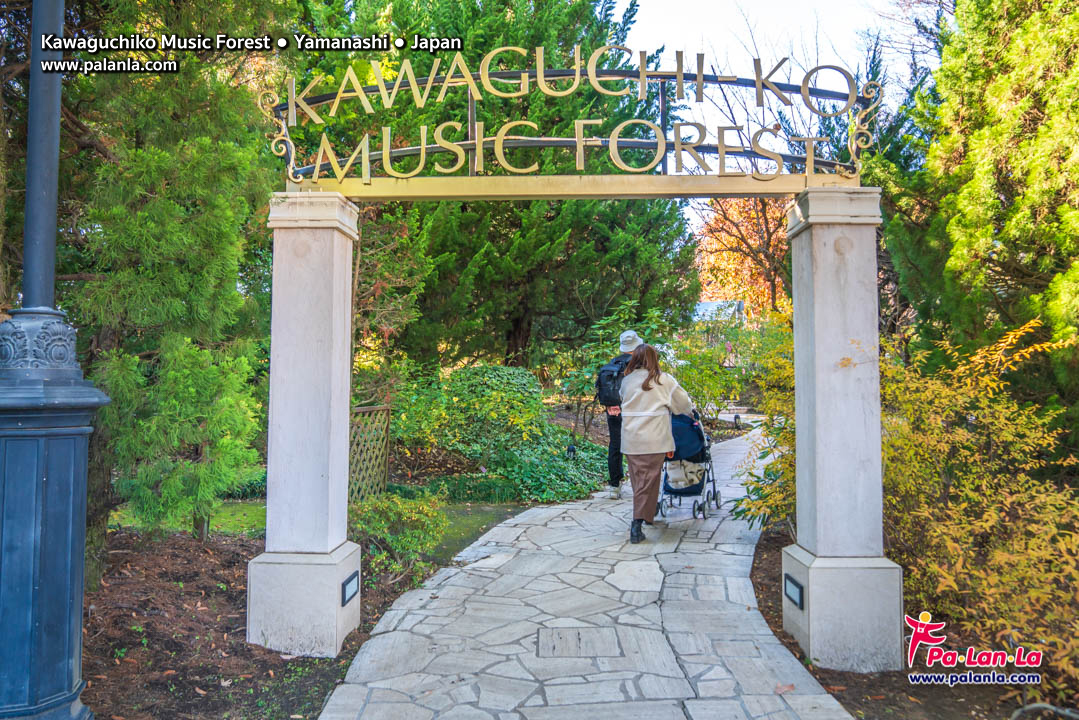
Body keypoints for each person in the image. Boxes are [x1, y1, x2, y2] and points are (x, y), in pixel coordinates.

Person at [615, 343, 694, 543]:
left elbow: (624, 399)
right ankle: (637, 523)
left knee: (640, 482)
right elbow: (684, 405)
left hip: (631, 441)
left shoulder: (626, 381)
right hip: (655, 441)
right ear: (654, 359)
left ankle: (646, 517)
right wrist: (689, 414)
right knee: (648, 481)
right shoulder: (664, 380)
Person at [598, 330, 642, 499]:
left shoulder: (613, 362)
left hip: (613, 410)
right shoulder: (638, 365)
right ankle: (639, 484)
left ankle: (614, 486)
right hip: (633, 410)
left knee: (615, 445)